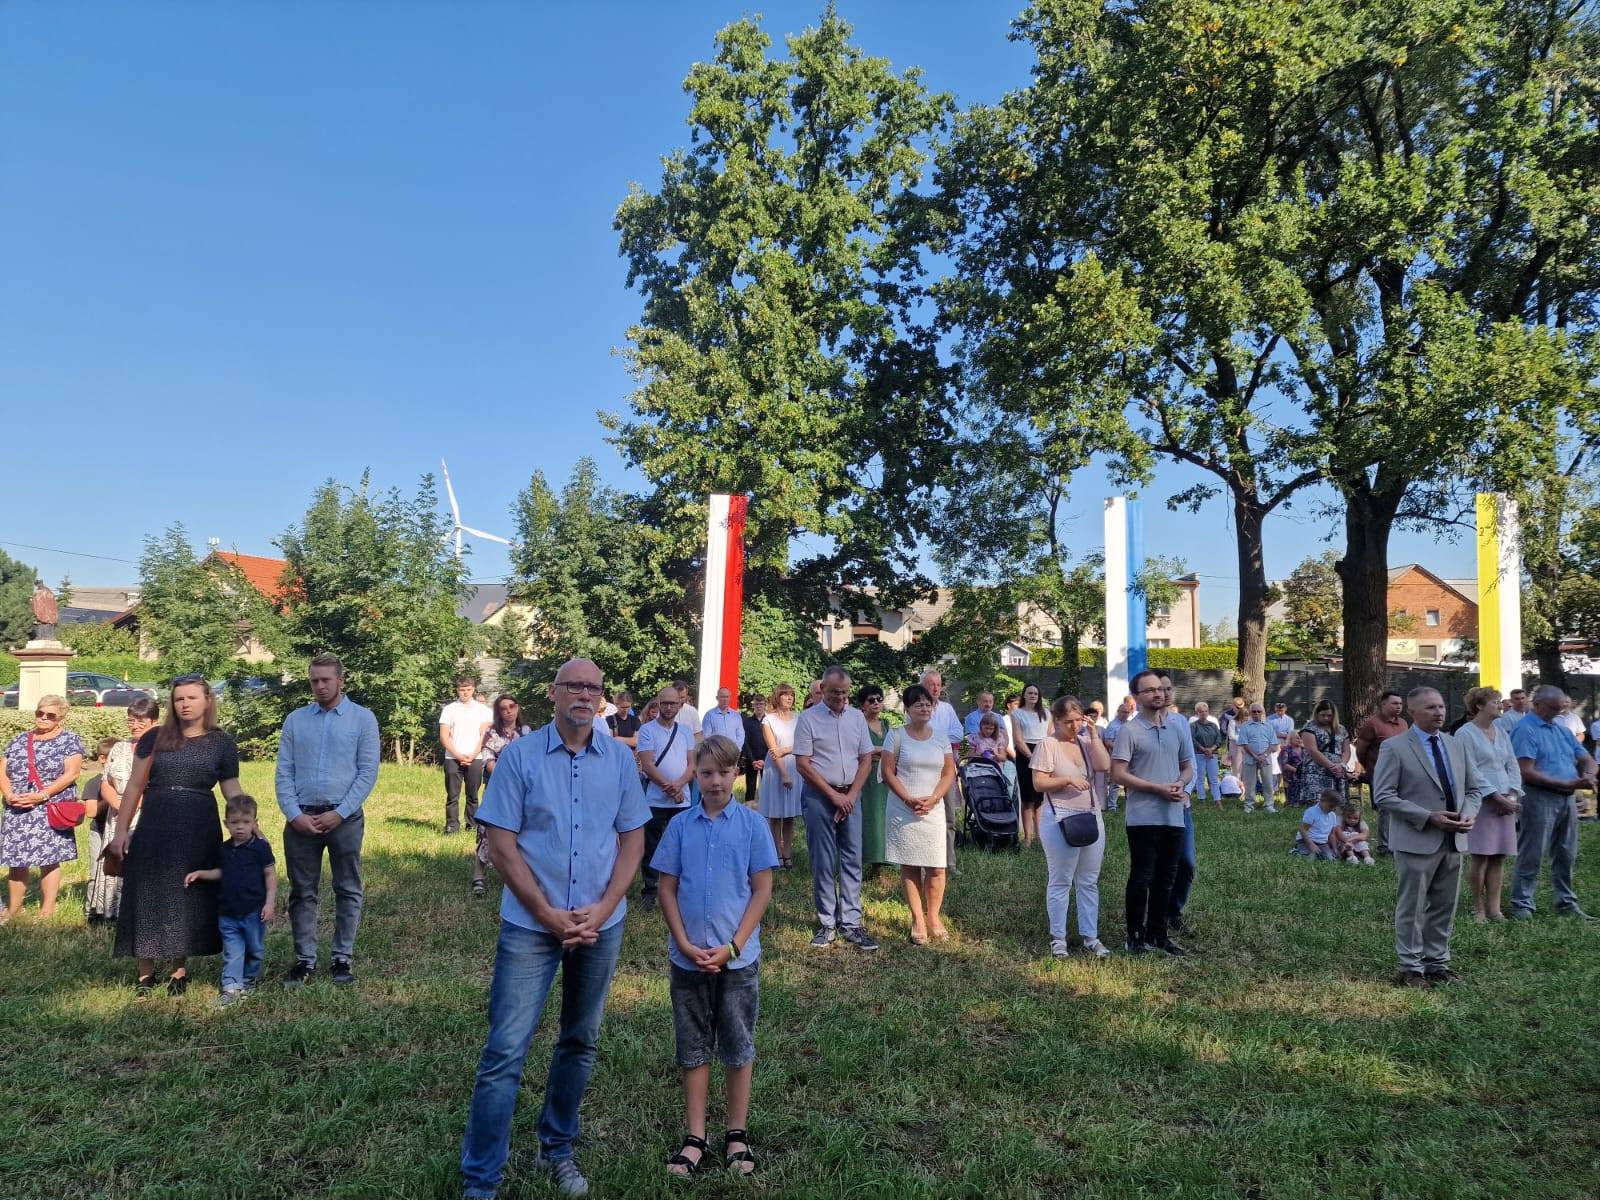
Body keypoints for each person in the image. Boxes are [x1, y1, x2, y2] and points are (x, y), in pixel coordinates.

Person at [460, 658, 649, 1200]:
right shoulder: (519, 758)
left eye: (593, 688)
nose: (584, 695)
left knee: (580, 1040)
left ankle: (557, 1147)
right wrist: (546, 913)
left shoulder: (619, 760)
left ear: (601, 697)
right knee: (505, 1049)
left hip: (599, 924)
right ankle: (482, 1179)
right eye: (574, 686)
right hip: (531, 926)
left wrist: (605, 908)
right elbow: (501, 844)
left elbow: (633, 840)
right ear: (553, 693)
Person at [654, 735, 777, 1179]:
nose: (715, 781)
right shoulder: (679, 827)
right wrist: (683, 942)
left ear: (736, 773)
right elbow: (667, 888)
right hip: (688, 958)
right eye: (706, 773)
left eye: (724, 773)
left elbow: (761, 889)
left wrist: (734, 946)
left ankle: (736, 1133)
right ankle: (695, 1137)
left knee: (737, 1045)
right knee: (693, 1047)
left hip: (737, 961)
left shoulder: (753, 826)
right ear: (696, 775)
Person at [108, 676, 246, 996]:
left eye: (191, 698)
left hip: (199, 823)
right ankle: (145, 974)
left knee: (187, 894)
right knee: (147, 892)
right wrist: (120, 832)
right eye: (179, 698)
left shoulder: (222, 742)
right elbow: (135, 785)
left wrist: (251, 825)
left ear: (207, 701)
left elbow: (231, 788)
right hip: (155, 821)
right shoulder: (154, 737)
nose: (184, 704)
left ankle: (178, 971)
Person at [275, 654, 380, 988]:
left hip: (344, 818)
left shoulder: (362, 719)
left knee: (347, 887)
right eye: (314, 680)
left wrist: (340, 812)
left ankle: (341, 958)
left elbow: (367, 772)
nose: (320, 686)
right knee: (302, 891)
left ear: (340, 680)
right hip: (301, 819)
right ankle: (304, 960)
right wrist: (294, 814)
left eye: (326, 680)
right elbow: (284, 771)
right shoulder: (296, 720)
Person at [1373, 686, 1484, 986]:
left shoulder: (1456, 744)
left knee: (1445, 905)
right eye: (1430, 708)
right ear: (1412, 712)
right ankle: (1410, 968)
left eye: (1441, 706)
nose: (1439, 712)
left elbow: (1474, 789)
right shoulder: (1395, 747)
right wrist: (1427, 817)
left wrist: (1468, 813)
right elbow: (1383, 795)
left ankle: (1437, 964)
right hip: (1416, 838)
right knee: (1412, 905)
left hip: (1454, 839)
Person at [794, 666, 877, 952]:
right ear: (822, 690)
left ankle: (851, 922)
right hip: (820, 796)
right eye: (834, 693)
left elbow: (866, 758)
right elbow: (803, 764)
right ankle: (827, 922)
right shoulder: (808, 719)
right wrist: (833, 796)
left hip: (850, 794)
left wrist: (850, 796)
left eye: (844, 692)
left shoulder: (856, 717)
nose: (840, 698)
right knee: (823, 859)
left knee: (853, 857)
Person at [1111, 670, 1194, 955]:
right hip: (1143, 817)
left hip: (1174, 814)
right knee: (1142, 877)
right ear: (1136, 696)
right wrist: (1156, 789)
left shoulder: (1177, 728)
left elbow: (1188, 766)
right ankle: (1135, 936)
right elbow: (1118, 774)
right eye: (1149, 690)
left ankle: (1158, 934)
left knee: (1166, 878)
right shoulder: (1129, 731)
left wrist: (1180, 783)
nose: (1157, 694)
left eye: (1159, 689)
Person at [1032, 695, 1113, 959]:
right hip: (1059, 818)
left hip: (1090, 815)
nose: (1075, 726)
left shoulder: (1086, 741)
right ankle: (1058, 938)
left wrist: (1094, 734)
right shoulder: (1048, 745)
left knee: (1089, 880)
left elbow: (1104, 766)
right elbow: (1039, 783)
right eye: (1069, 722)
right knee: (1061, 880)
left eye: (1079, 720)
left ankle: (1091, 936)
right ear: (1056, 720)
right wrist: (1066, 780)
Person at [1509, 684, 1598, 921]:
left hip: (1566, 798)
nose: (1557, 712)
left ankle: (1566, 902)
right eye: (1553, 708)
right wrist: (1568, 783)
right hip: (1539, 796)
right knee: (1533, 851)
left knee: (1566, 852)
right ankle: (1522, 904)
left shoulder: (1561, 729)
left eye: (1560, 708)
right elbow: (1526, 771)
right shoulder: (1525, 730)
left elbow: (1587, 758)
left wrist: (1589, 775)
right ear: (1537, 705)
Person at [182, 794, 277, 1006]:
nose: (240, 827)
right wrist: (201, 874)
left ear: (255, 823)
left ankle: (248, 980)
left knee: (255, 949)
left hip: (254, 911)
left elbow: (270, 875)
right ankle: (231, 986)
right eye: (235, 822)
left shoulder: (261, 848)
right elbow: (222, 872)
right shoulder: (224, 849)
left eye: (246, 822)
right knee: (233, 951)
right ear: (226, 824)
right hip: (228, 912)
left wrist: (270, 903)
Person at [879, 684, 955, 945]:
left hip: (933, 808)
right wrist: (908, 799)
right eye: (918, 704)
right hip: (904, 808)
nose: (924, 707)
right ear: (908, 709)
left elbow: (948, 772)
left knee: (937, 867)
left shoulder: (941, 737)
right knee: (910, 865)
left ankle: (933, 917)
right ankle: (917, 919)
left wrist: (934, 799)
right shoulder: (895, 735)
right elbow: (888, 772)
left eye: (927, 703)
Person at [1, 693, 85, 919]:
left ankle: (47, 910)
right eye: (40, 713)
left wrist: (42, 795)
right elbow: (3, 771)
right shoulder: (19, 739)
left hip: (49, 806)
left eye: (51, 715)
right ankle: (14, 909)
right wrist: (9, 795)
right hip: (18, 807)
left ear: (61, 718)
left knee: (49, 858)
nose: (44, 718)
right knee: (16, 859)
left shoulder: (70, 740)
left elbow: (72, 773)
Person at [87, 698, 160, 924]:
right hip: (117, 814)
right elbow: (105, 781)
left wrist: (133, 803)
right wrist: (118, 803)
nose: (135, 726)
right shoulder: (119, 747)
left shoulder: (163, 747)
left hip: (146, 813)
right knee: (115, 860)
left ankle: (138, 912)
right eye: (131, 721)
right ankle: (110, 912)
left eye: (141, 721)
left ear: (154, 721)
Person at [1455, 687, 1522, 921]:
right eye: (1495, 702)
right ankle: (1478, 908)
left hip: (1506, 801)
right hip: (1481, 802)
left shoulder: (1501, 731)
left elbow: (1512, 764)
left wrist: (1511, 796)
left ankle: (1495, 909)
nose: (1501, 705)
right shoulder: (1465, 733)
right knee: (1481, 855)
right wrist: (1495, 796)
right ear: (1479, 706)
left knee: (1499, 856)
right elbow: (1470, 769)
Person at [636, 686, 696, 911]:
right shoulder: (647, 730)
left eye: (673, 703)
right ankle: (650, 889)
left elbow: (692, 764)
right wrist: (671, 789)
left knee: (683, 844)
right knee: (652, 845)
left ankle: (679, 888)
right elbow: (647, 765)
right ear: (658, 704)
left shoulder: (686, 731)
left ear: (680, 705)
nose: (669, 707)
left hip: (683, 799)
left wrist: (679, 786)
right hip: (655, 799)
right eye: (665, 703)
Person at [474, 695, 534, 899]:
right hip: (497, 788)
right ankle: (478, 874)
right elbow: (488, 759)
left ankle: (514, 877)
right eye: (503, 708)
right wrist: (507, 777)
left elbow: (533, 760)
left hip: (523, 790)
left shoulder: (527, 732)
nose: (508, 711)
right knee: (488, 830)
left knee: (521, 832)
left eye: (512, 706)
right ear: (498, 712)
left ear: (518, 708)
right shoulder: (491, 732)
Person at [1354, 689, 1409, 853]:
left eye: (1400, 703)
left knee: (1402, 807)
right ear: (1383, 704)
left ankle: (1400, 842)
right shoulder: (1372, 724)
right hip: (1381, 773)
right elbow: (1360, 751)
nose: (1399, 706)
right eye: (1395, 703)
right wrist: (1371, 767)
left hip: (1402, 772)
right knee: (1386, 809)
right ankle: (1384, 846)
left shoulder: (1403, 723)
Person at [919, 671, 966, 864]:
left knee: (949, 818)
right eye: (931, 684)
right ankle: (926, 861)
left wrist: (936, 737)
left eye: (938, 684)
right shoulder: (917, 708)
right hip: (925, 771)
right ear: (923, 686)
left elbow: (959, 733)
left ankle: (950, 862)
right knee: (926, 817)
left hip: (946, 770)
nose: (936, 688)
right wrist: (941, 738)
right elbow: (918, 734)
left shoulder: (947, 709)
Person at [440, 676, 492, 835]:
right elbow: (444, 736)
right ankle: (452, 826)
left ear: (473, 690)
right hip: (452, 758)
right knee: (452, 796)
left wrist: (473, 754)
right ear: (457, 690)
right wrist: (458, 755)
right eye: (462, 690)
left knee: (473, 795)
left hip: (475, 757)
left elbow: (486, 736)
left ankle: (472, 825)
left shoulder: (484, 711)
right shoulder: (449, 709)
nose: (465, 693)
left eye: (468, 689)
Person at [757, 684, 802, 867]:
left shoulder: (799, 718)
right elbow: (773, 750)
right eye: (785, 695)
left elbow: (803, 743)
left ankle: (787, 854)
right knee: (775, 814)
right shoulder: (768, 720)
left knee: (790, 815)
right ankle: (776, 854)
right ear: (778, 697)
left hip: (795, 767)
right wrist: (784, 774)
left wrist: (787, 750)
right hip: (776, 770)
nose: (789, 698)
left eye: (791, 695)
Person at [857, 684, 892, 875]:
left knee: (883, 818)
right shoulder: (858, 724)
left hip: (885, 776)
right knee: (868, 818)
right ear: (862, 704)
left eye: (879, 699)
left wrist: (878, 752)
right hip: (866, 776)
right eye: (871, 700)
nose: (876, 703)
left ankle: (879, 866)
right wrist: (879, 751)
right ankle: (861, 863)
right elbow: (860, 750)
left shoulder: (886, 724)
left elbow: (893, 749)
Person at [1010, 683, 1050, 847]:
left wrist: (1045, 756)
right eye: (1030, 693)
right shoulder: (1017, 714)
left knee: (1040, 798)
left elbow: (1050, 735)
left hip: (1043, 752)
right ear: (1024, 695)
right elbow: (1018, 740)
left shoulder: (1046, 713)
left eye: (1035, 693)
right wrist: (1031, 757)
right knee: (1027, 798)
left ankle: (1040, 836)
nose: (1033, 695)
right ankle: (1027, 838)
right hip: (1025, 755)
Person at [1296, 699, 1351, 808]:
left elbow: (1346, 750)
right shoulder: (1309, 728)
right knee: (1317, 803)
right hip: (1316, 770)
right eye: (1323, 715)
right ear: (1317, 714)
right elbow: (1312, 750)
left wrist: (1342, 765)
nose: (1326, 718)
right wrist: (1332, 766)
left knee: (1338, 804)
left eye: (1329, 715)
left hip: (1338, 770)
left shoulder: (1341, 729)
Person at [1237, 704, 1278, 812]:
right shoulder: (1245, 726)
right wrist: (1256, 756)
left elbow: (1273, 743)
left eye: (1259, 711)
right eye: (1254, 711)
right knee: (1250, 783)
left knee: (1268, 782)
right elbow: (1244, 743)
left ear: (1262, 712)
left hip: (1266, 758)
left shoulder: (1268, 725)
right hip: (1250, 758)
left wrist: (1264, 755)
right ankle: (1249, 805)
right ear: (1250, 713)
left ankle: (1269, 805)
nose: (1256, 713)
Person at [1101, 696, 1135, 812]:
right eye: (1123, 712)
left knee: (1130, 782)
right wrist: (1121, 748)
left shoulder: (1131, 724)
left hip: (1130, 757)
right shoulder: (1112, 725)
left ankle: (1130, 803)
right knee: (1115, 783)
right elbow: (1107, 742)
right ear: (1118, 712)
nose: (1125, 714)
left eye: (1127, 712)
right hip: (1116, 758)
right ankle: (1112, 806)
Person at [1188, 702, 1223, 807]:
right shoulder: (1193, 726)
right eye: (1201, 712)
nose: (1203, 713)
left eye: (1205, 711)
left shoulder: (1213, 725)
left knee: (1214, 778)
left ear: (1208, 712)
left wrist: (1211, 749)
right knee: (1200, 778)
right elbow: (1192, 739)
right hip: (1199, 754)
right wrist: (1203, 749)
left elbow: (1219, 739)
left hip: (1212, 754)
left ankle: (1217, 800)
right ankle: (1201, 799)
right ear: (1197, 713)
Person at [1293, 790, 1343, 859]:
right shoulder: (1312, 812)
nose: (1333, 809)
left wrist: (1335, 849)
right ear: (1322, 800)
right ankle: (1296, 851)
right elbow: (1303, 830)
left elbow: (1332, 834)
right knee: (1311, 858)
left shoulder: (1332, 815)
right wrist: (1311, 844)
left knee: (1330, 859)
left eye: (1335, 807)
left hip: (1322, 843)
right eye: (1331, 806)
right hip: (1306, 840)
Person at [1267, 702, 1295, 794]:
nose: (1279, 712)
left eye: (1281, 710)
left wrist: (1284, 741)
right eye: (1278, 710)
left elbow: (1290, 734)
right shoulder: (1269, 719)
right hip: (1273, 745)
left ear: (1285, 709)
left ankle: (1283, 786)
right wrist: (1281, 734)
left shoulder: (1289, 720)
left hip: (1285, 745)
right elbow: (1269, 733)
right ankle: (1275, 788)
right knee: (1274, 767)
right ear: (1275, 709)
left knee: (1283, 766)